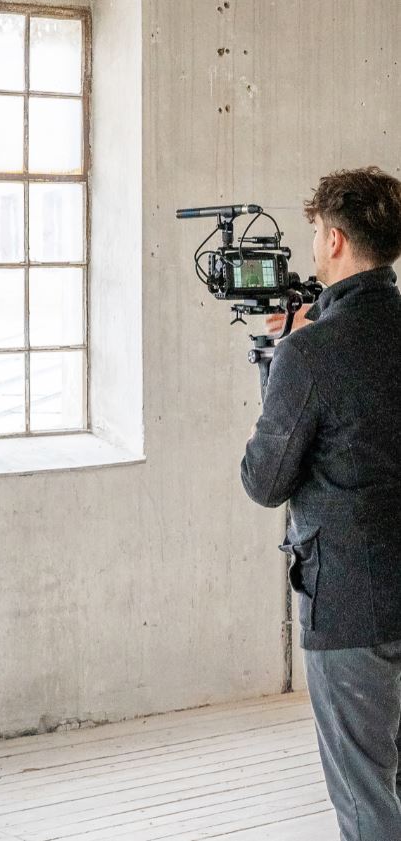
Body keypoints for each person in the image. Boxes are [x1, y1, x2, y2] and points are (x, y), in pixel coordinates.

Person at [240, 166, 401, 840]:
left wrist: (281, 363)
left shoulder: (308, 352)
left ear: (334, 240)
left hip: (350, 602)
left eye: (314, 234)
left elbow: (265, 481)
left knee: (365, 796)